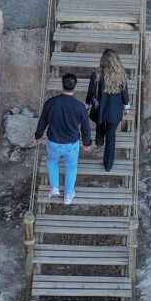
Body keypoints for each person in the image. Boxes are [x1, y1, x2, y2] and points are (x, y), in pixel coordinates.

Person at [34, 72, 92, 205]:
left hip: (53, 142)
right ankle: (68, 195)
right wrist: (87, 142)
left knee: (52, 162)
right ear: (75, 87)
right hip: (71, 145)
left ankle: (54, 188)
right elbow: (86, 128)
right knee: (71, 168)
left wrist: (38, 136)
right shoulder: (80, 107)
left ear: (62, 86)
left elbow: (43, 121)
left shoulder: (50, 103)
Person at [85, 49, 130, 172]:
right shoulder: (121, 75)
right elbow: (125, 94)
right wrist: (126, 107)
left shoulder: (97, 74)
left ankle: (99, 140)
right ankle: (108, 164)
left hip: (100, 109)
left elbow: (91, 93)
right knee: (111, 136)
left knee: (100, 121)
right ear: (116, 60)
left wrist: (87, 104)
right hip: (114, 112)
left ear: (103, 60)